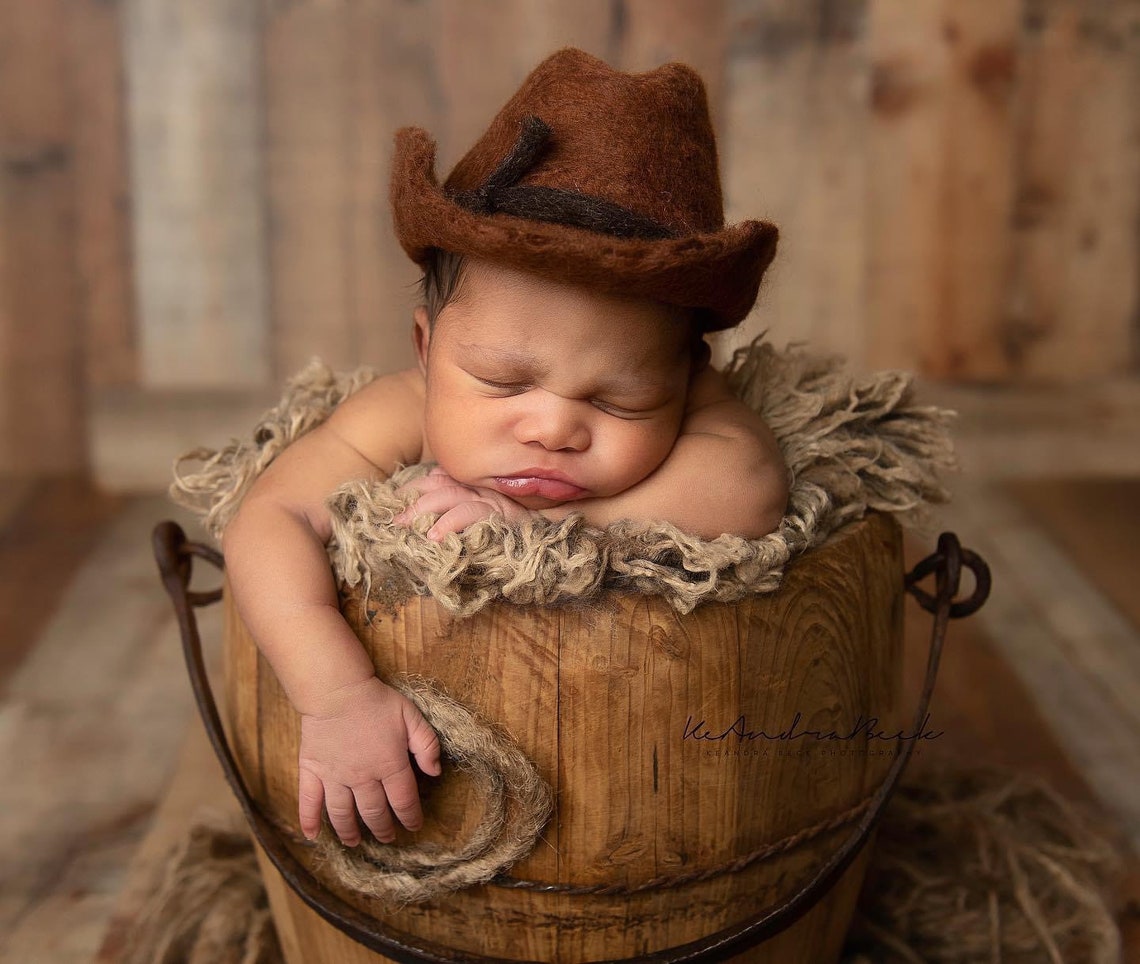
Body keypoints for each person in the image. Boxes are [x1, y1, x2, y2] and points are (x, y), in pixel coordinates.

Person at [221, 48, 789, 849]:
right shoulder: (401, 410)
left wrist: (554, 526)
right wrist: (337, 695)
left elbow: (752, 486)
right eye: (500, 382)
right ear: (425, 350)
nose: (554, 429)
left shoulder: (703, 399)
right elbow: (268, 517)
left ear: (690, 375)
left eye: (615, 398)